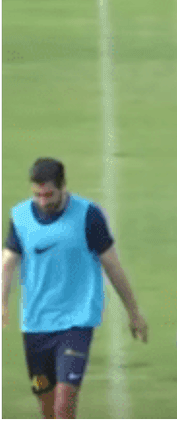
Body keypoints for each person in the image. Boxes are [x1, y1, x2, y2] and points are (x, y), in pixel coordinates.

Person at [2, 158, 149, 419]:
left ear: (63, 187)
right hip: (35, 324)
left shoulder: (88, 215)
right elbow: (8, 262)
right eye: (37, 195)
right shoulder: (21, 217)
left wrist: (134, 312)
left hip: (76, 321)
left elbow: (113, 266)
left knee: (64, 404)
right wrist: (2, 303)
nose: (43, 201)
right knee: (47, 408)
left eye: (49, 195)